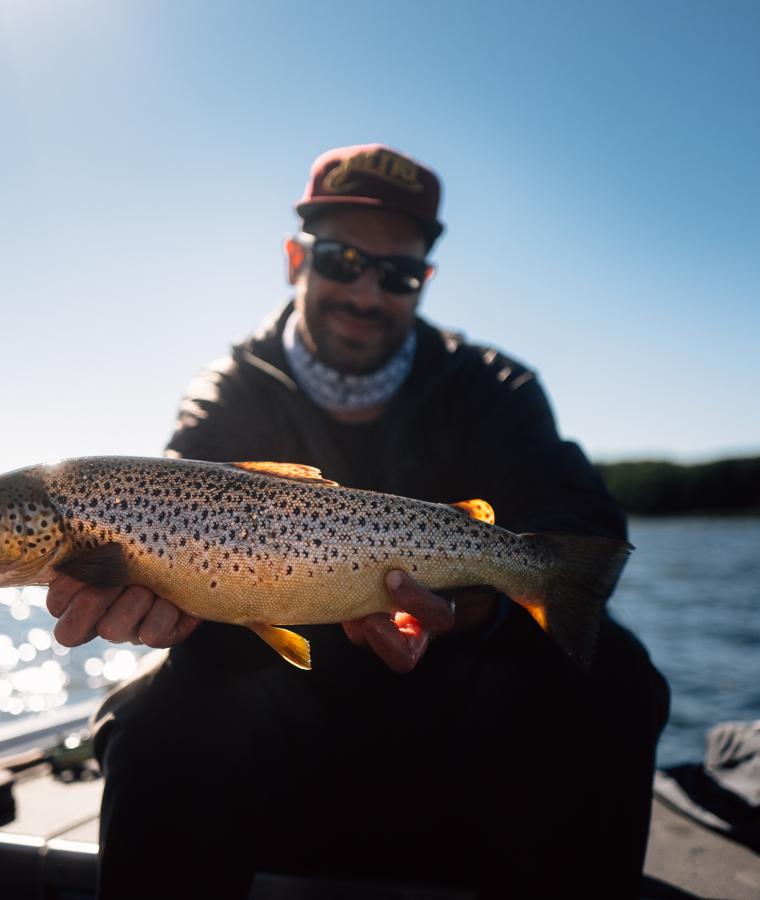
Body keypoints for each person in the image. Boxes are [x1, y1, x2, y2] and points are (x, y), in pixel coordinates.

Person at [46, 144, 670, 898]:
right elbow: (180, 568)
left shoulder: (494, 388)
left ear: (424, 282)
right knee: (152, 715)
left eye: (397, 274)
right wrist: (158, 604)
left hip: (461, 713)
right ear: (294, 257)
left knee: (618, 675)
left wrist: (469, 613)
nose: (367, 293)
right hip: (284, 719)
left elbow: (577, 527)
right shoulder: (228, 393)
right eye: (342, 260)